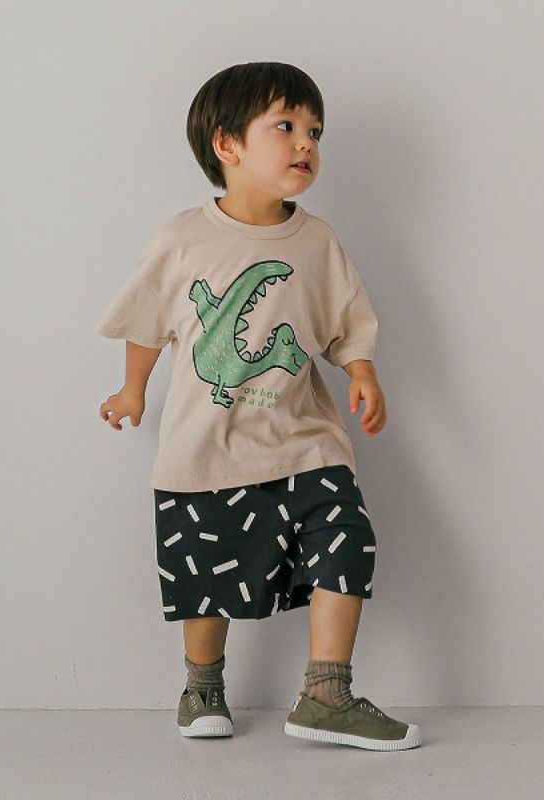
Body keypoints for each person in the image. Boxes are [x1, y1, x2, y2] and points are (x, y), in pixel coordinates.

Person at [96, 62, 421, 751]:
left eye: (315, 131)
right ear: (227, 144)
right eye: (286, 126)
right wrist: (132, 389)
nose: (306, 142)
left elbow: (345, 322)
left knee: (348, 539)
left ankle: (327, 694)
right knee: (207, 576)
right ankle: (202, 686)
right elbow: (146, 320)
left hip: (305, 441)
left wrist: (362, 372)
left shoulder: (316, 241)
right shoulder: (183, 238)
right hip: (206, 448)